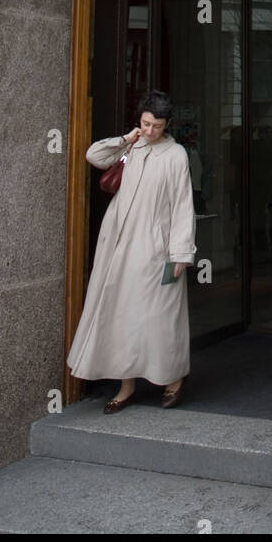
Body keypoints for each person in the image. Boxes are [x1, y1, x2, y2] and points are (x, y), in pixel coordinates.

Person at [67, 90, 196, 411]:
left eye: (157, 125)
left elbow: (183, 204)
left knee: (160, 317)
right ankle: (126, 386)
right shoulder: (133, 146)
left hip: (156, 246)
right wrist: (127, 138)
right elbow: (94, 156)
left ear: (167, 125)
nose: (150, 130)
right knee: (121, 314)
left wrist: (181, 252)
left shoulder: (176, 155)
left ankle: (172, 378)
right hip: (119, 244)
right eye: (145, 123)